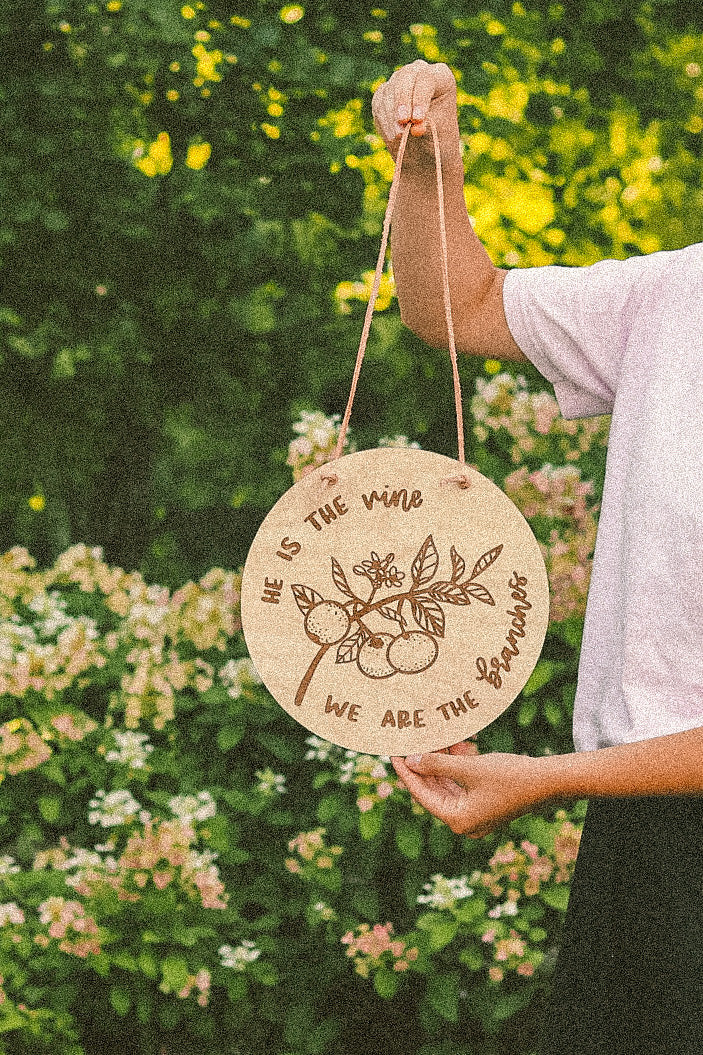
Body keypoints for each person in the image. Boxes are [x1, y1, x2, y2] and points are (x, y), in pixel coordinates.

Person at [371, 59, 703, 1055]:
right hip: (639, 845)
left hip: (620, 786)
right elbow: (454, 308)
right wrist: (432, 171)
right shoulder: (672, 293)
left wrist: (552, 776)